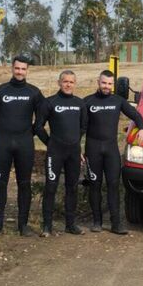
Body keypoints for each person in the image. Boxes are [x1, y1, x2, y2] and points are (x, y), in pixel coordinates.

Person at [84, 69, 143, 234]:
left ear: (113, 85)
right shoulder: (88, 101)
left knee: (113, 185)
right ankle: (97, 222)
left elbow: (136, 115)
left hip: (111, 150)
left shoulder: (118, 101)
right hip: (92, 149)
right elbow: (78, 127)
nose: (106, 86)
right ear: (98, 82)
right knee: (95, 185)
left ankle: (116, 223)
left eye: (110, 84)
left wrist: (142, 129)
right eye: (104, 83)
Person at [0, 56, 44, 236]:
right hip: (2, 143)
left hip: (24, 144)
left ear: (27, 70)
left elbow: (41, 120)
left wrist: (27, 133)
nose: (20, 72)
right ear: (12, 68)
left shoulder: (34, 92)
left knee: (24, 184)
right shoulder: (0, 91)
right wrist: (2, 132)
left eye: (23, 69)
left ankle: (23, 225)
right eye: (17, 68)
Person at [35, 70, 88, 237]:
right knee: (50, 187)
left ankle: (70, 225)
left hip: (73, 153)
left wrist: (75, 143)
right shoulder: (49, 102)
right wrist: (50, 143)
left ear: (75, 84)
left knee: (72, 188)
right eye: (65, 81)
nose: (68, 84)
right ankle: (47, 226)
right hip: (55, 153)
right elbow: (38, 127)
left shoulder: (80, 103)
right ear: (59, 82)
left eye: (71, 82)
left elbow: (83, 127)